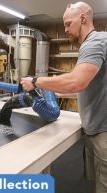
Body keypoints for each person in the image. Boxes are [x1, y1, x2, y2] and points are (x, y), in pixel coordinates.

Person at [20, 2, 106, 192]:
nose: (65, 29)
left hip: (104, 133)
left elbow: (77, 81)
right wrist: (56, 91)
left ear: (83, 19)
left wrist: (36, 81)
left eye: (68, 24)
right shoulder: (95, 43)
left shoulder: (94, 43)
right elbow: (89, 87)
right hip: (96, 129)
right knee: (98, 184)